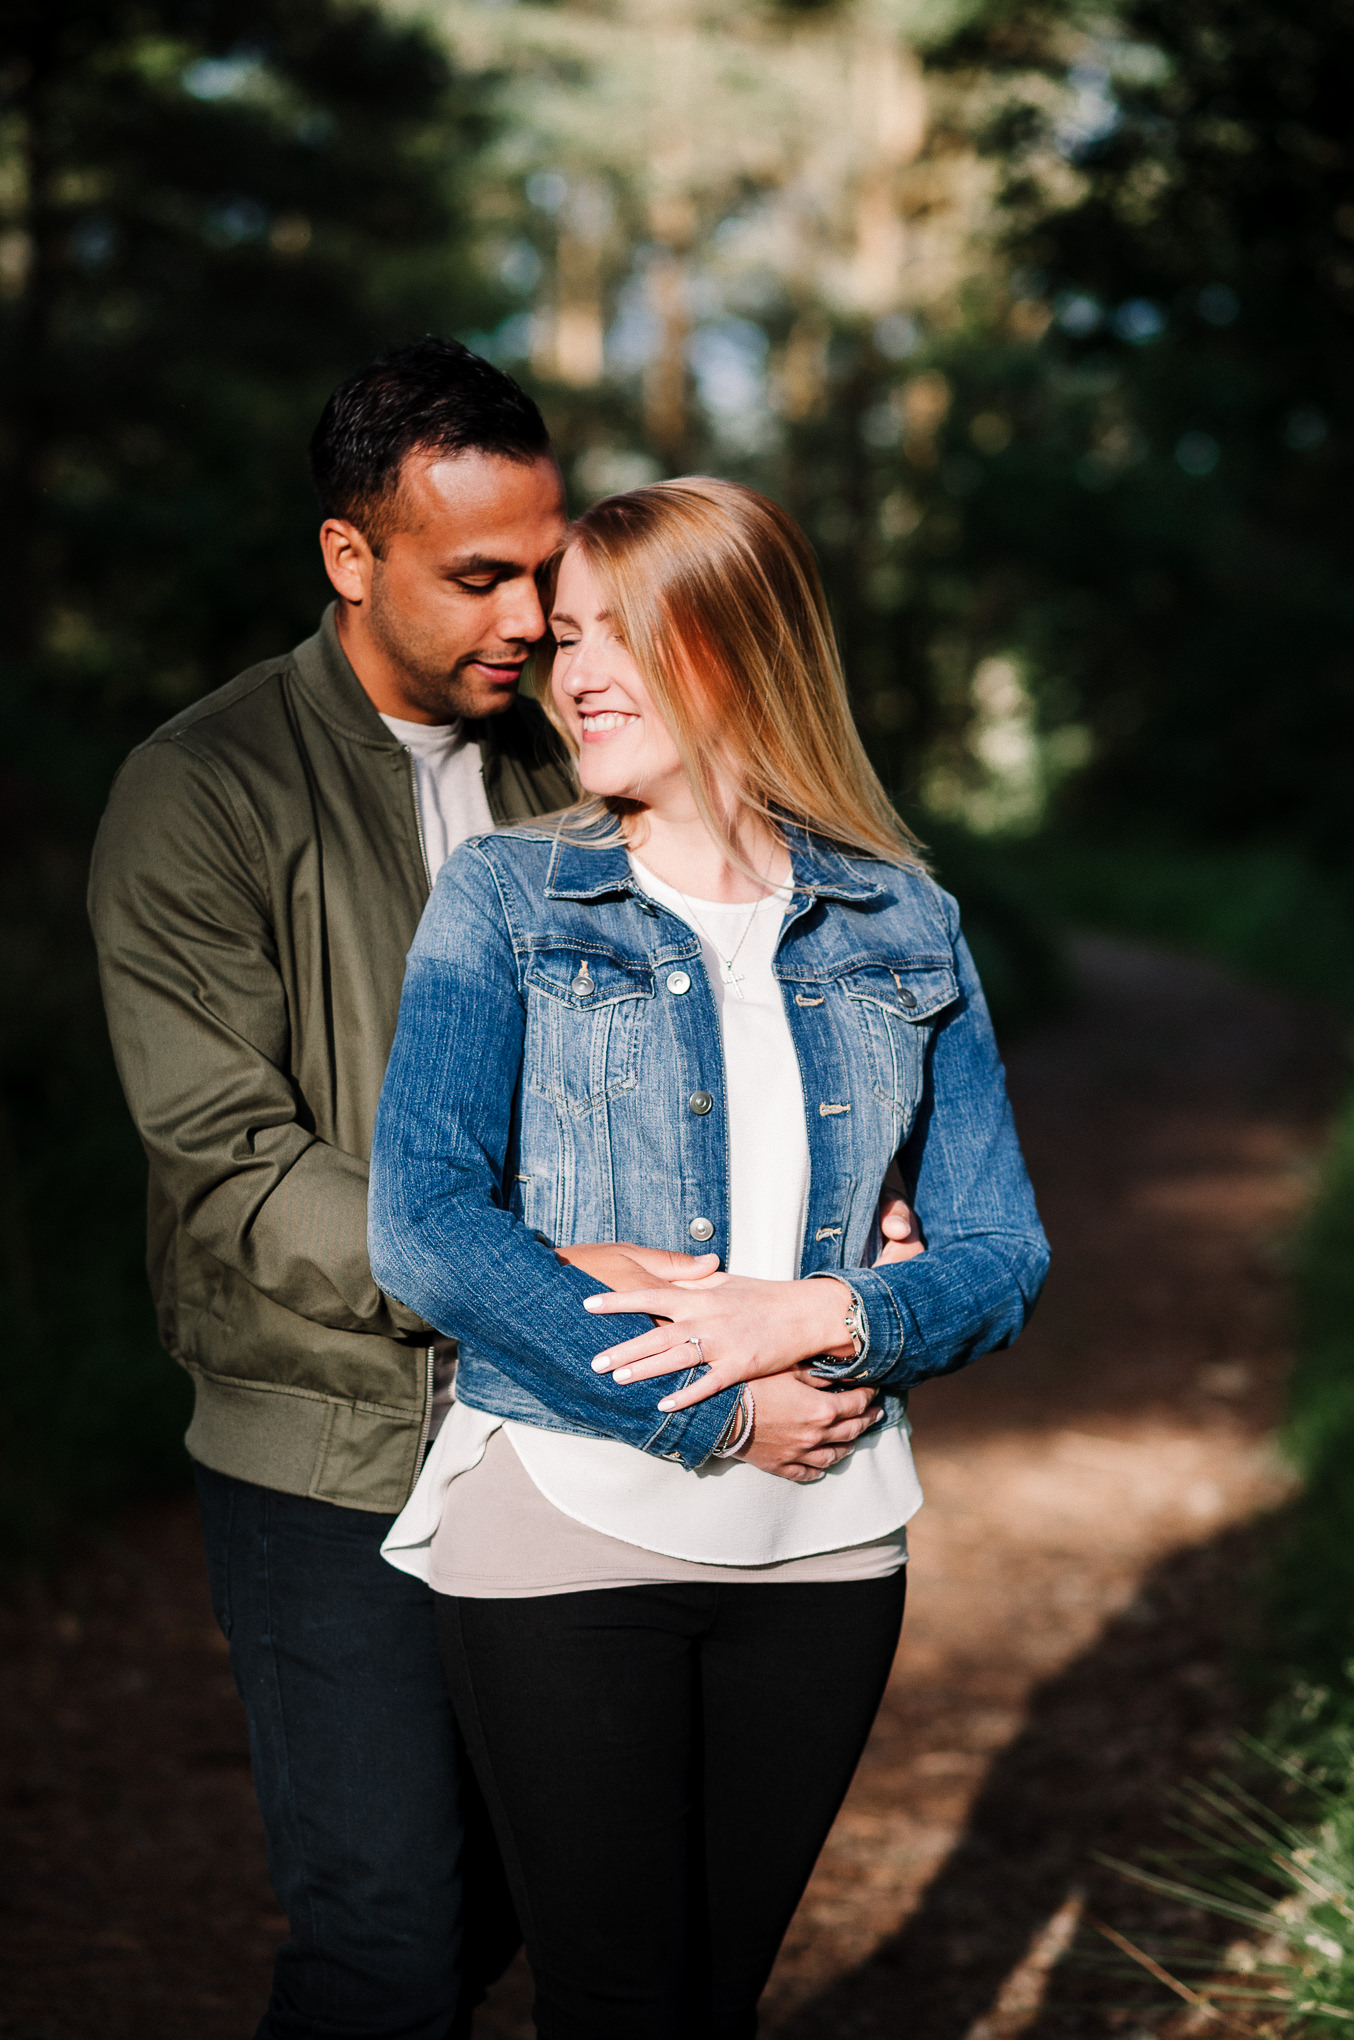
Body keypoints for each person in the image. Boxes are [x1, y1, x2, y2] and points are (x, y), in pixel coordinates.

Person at [91, 340, 869, 2040]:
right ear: (348, 560)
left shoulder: (567, 765)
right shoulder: (204, 790)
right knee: (388, 1937)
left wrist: (844, 1206)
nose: (530, 619)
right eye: (480, 577)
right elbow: (227, 1159)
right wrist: (498, 1268)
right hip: (335, 1446)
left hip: (573, 1437)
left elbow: (725, 1018)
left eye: (545, 572)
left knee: (551, 1910)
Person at [367, 476, 1051, 2038]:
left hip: (824, 1544)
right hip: (563, 1518)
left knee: (712, 2003)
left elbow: (1004, 1251)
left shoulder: (906, 922)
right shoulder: (511, 897)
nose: (571, 669)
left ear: (738, 648)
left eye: (621, 633)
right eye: (566, 638)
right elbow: (424, 1226)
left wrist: (819, 1311)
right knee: (614, 2002)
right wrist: (723, 1407)